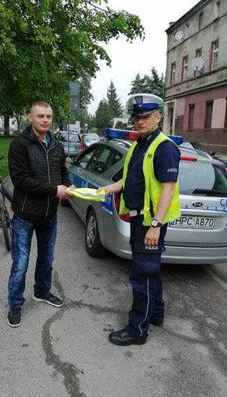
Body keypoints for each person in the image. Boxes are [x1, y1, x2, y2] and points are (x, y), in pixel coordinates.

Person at [103, 94, 181, 346]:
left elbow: (168, 189)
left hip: (151, 222)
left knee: (142, 274)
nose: (140, 121)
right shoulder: (140, 145)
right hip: (140, 219)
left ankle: (137, 329)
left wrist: (156, 226)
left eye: (146, 116)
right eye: (137, 117)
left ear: (158, 116)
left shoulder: (164, 146)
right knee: (151, 270)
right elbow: (132, 179)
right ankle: (156, 313)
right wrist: (111, 187)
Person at [7, 101, 71, 328]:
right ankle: (15, 303)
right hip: (25, 214)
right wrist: (55, 190)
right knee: (20, 262)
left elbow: (63, 173)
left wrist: (69, 189)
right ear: (30, 118)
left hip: (49, 214)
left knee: (46, 257)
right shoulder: (19, 144)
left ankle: (41, 292)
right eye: (40, 116)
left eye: (49, 116)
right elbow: (21, 180)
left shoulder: (57, 146)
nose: (45, 120)